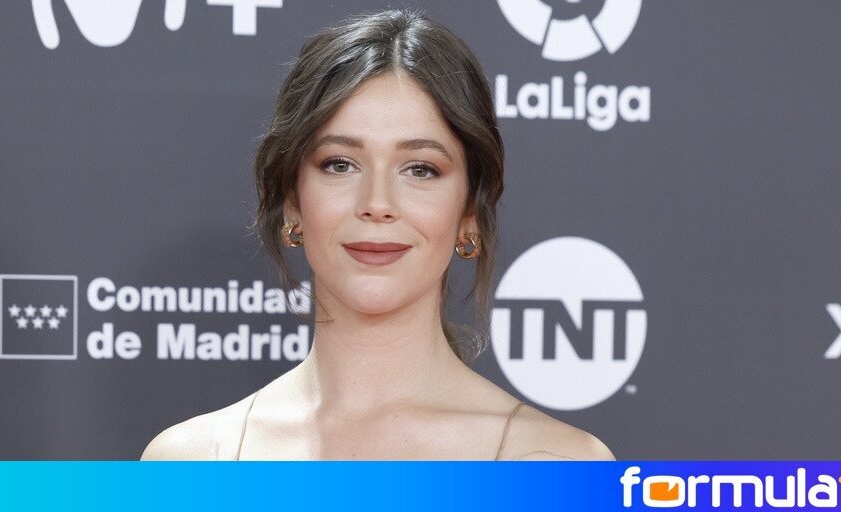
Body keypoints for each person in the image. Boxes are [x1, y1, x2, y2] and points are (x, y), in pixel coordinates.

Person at [141, 9, 614, 461]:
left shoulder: (562, 467)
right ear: (292, 200)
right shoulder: (191, 463)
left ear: (470, 211)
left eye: (420, 169)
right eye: (340, 164)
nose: (377, 203)